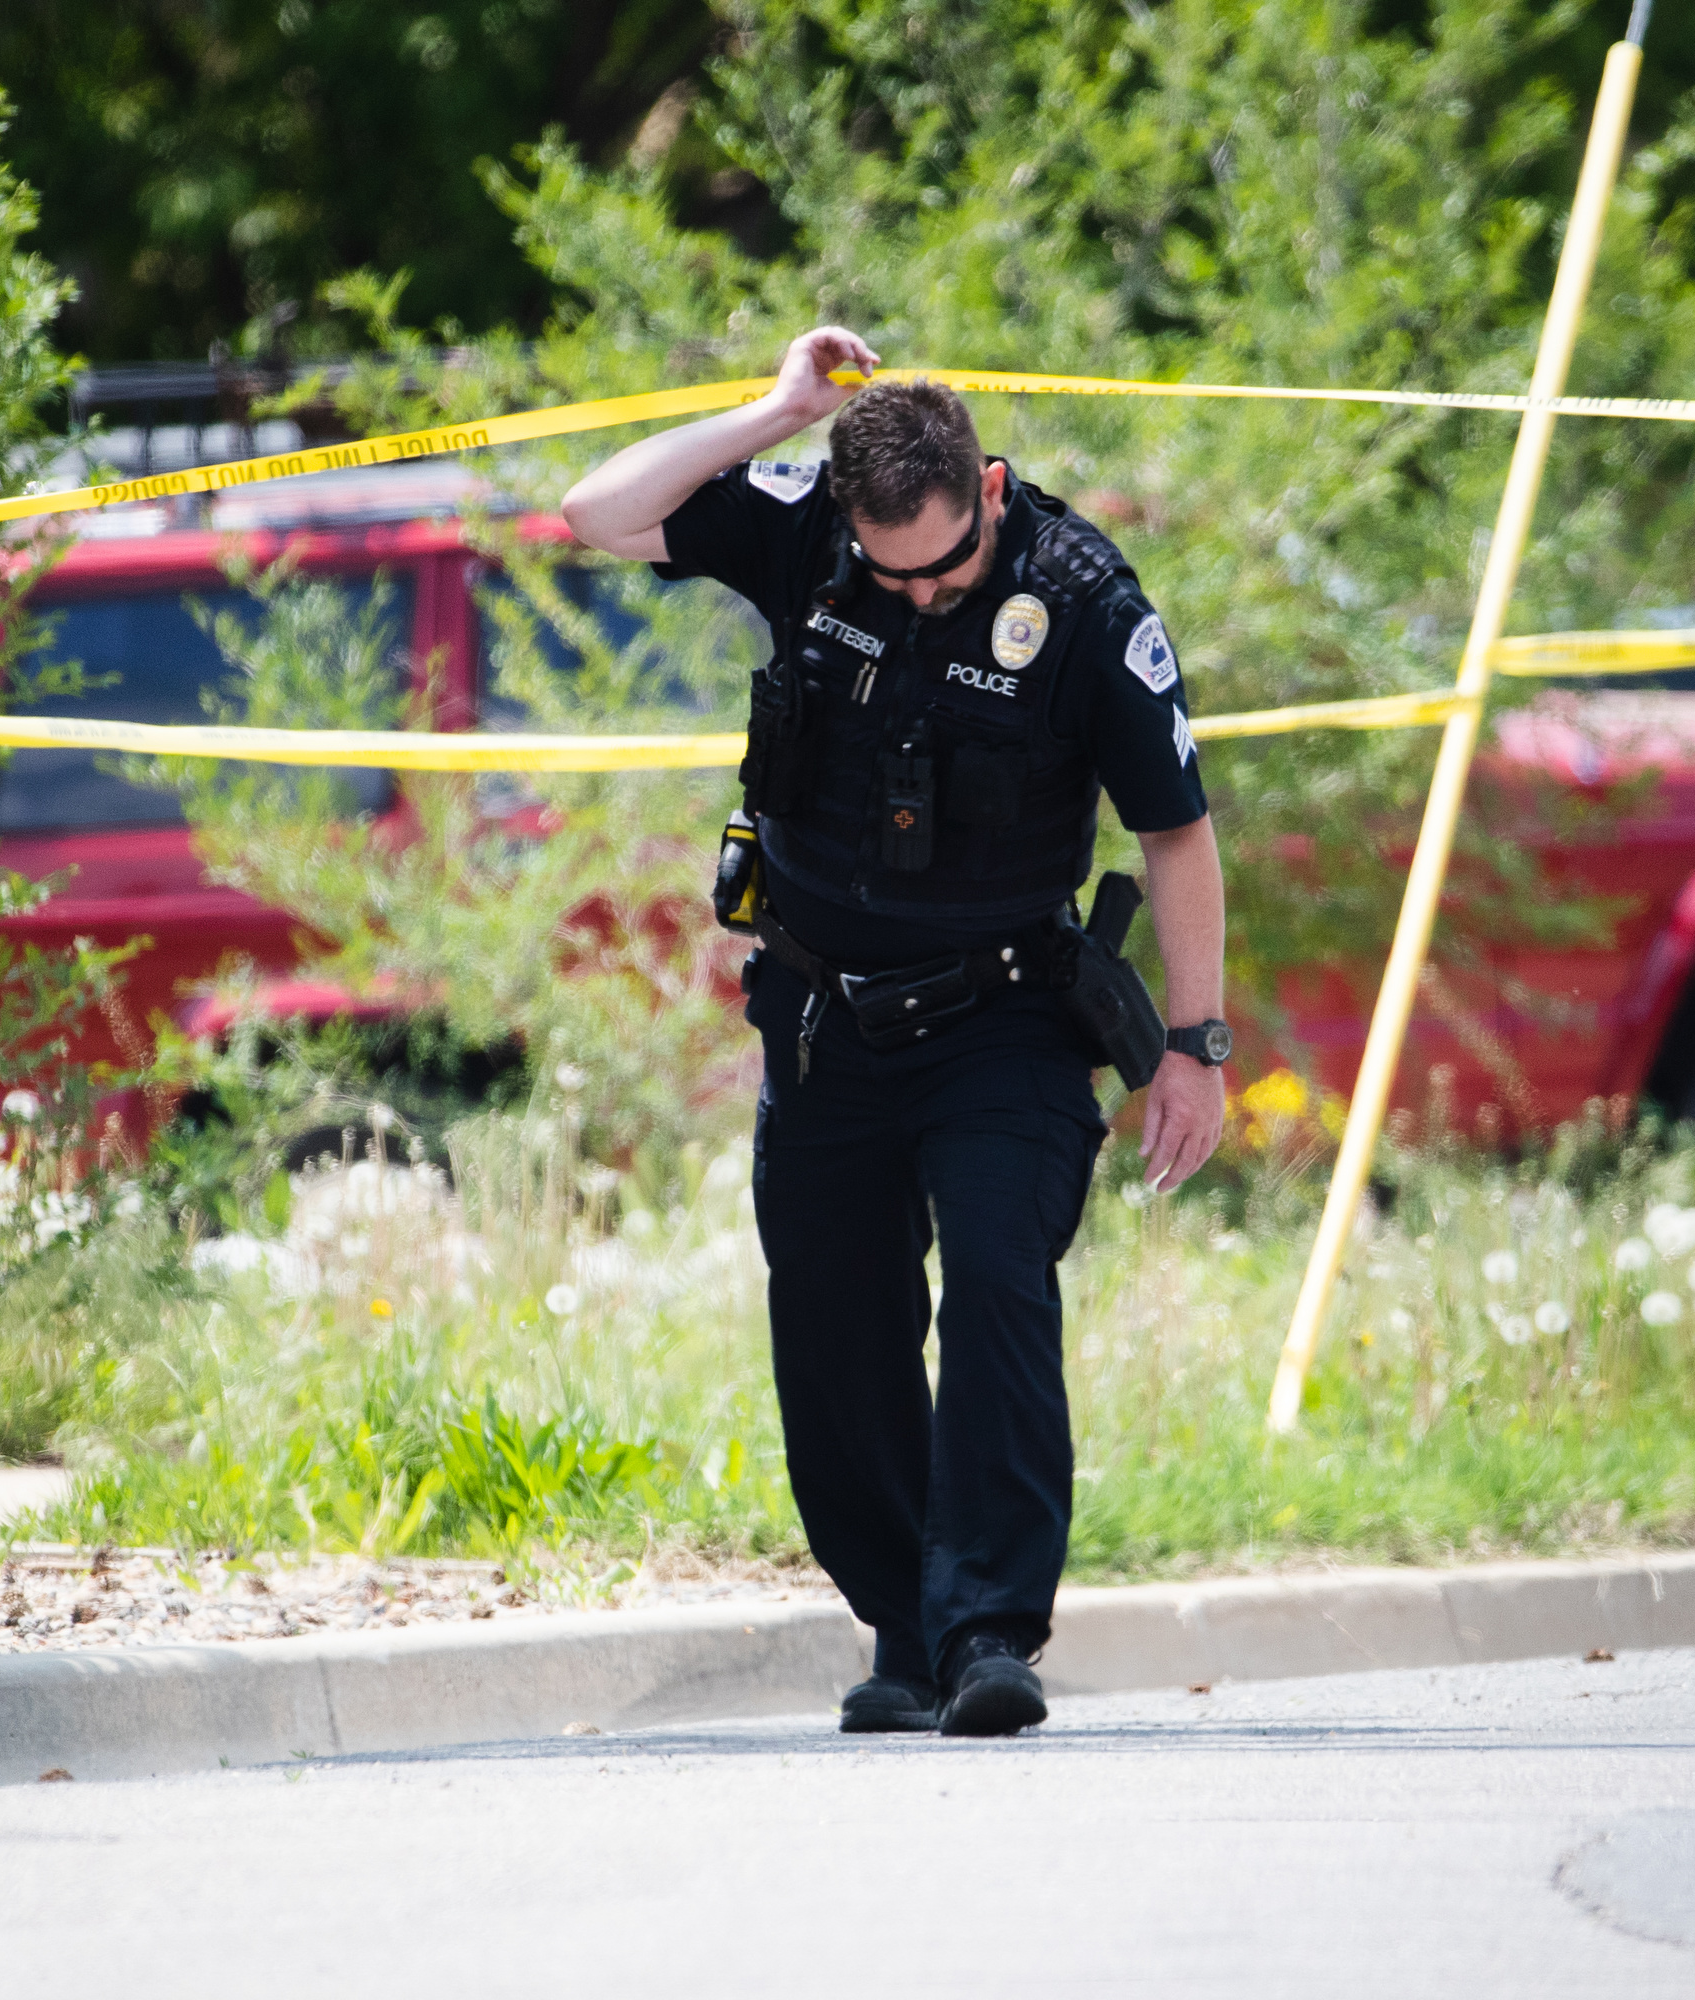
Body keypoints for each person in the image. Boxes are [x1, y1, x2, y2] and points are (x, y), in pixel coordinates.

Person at [561, 325, 1230, 1738]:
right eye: (893, 570)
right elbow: (597, 513)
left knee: (998, 1278)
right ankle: (902, 1621)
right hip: (823, 1018)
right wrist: (774, 412)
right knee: (835, 1313)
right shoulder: (815, 536)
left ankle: (989, 1628)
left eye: (945, 562)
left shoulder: (1083, 596)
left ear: (988, 486)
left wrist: (1196, 1045)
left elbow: (1176, 832)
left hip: (1004, 1019)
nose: (922, 592)